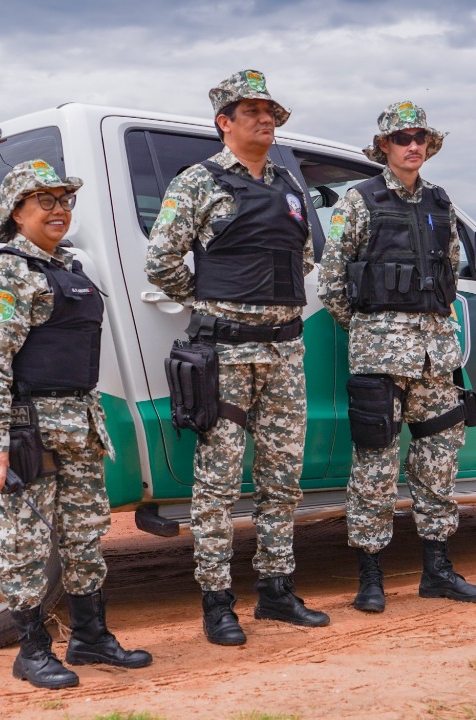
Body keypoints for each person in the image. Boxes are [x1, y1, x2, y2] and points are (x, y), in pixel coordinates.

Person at [144, 69, 329, 645]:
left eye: (270, 111)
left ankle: (276, 590)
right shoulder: (197, 183)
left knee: (282, 478)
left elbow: (302, 257)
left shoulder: (289, 186)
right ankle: (218, 602)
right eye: (251, 111)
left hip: (285, 351)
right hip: (224, 352)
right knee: (218, 483)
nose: (265, 119)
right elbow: (161, 262)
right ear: (224, 122)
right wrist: (212, 302)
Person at [0, 159, 151, 689]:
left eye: (65, 200)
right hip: (32, 429)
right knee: (26, 541)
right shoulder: (6, 269)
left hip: (79, 425)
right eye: (44, 200)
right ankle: (32, 652)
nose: (59, 209)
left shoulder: (68, 267)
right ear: (16, 211)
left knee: (85, 534)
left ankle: (91, 636)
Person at [318, 101, 476, 613]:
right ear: (384, 146)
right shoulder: (359, 201)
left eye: (419, 138)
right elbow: (332, 283)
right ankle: (370, 578)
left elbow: (449, 272)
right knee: (375, 466)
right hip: (380, 357)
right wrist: (373, 331)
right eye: (402, 138)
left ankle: (437, 571)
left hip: (435, 357)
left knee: (438, 464)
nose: (412, 146)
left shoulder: (441, 202)